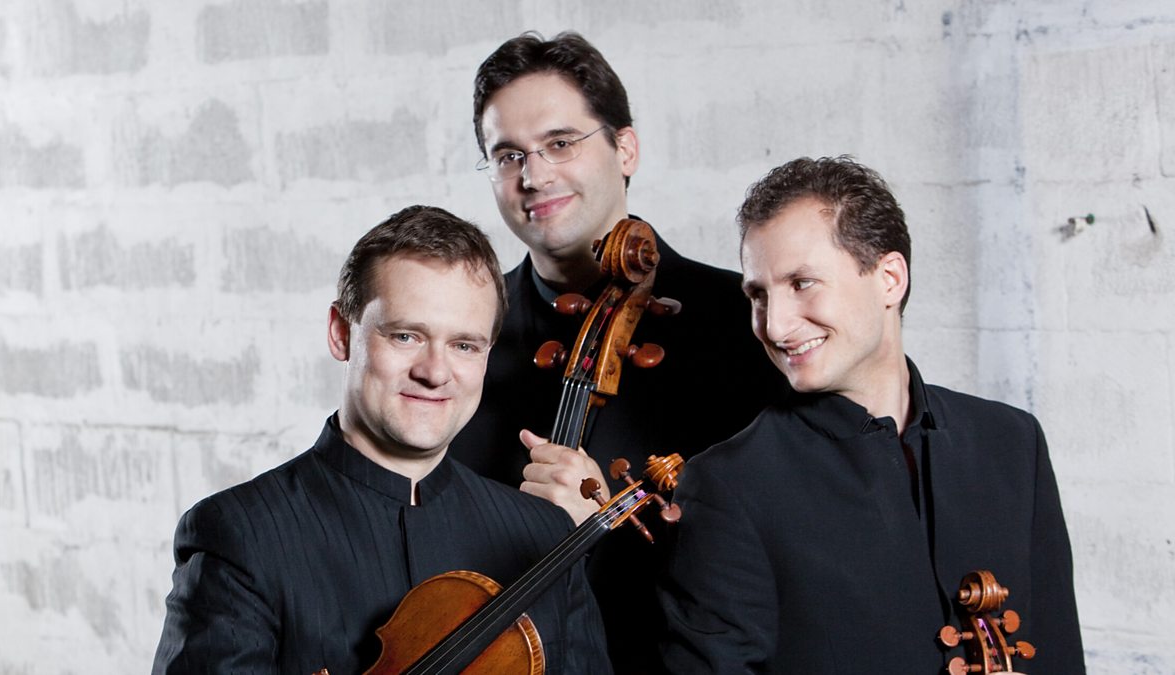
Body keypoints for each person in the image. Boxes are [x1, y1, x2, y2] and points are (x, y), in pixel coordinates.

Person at [659, 156, 1086, 673]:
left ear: (889, 278)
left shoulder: (1012, 442)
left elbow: (1059, 654)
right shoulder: (728, 485)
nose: (775, 326)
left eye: (802, 283)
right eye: (759, 295)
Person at [447, 31, 786, 671]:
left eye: (560, 143)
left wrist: (600, 533)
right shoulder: (466, 335)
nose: (534, 175)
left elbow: (778, 554)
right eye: (508, 155)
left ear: (624, 148)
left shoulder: (744, 326)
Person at [152, 206, 609, 674]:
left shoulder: (543, 534)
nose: (435, 372)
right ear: (340, 334)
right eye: (406, 336)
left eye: (463, 345)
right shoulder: (242, 535)